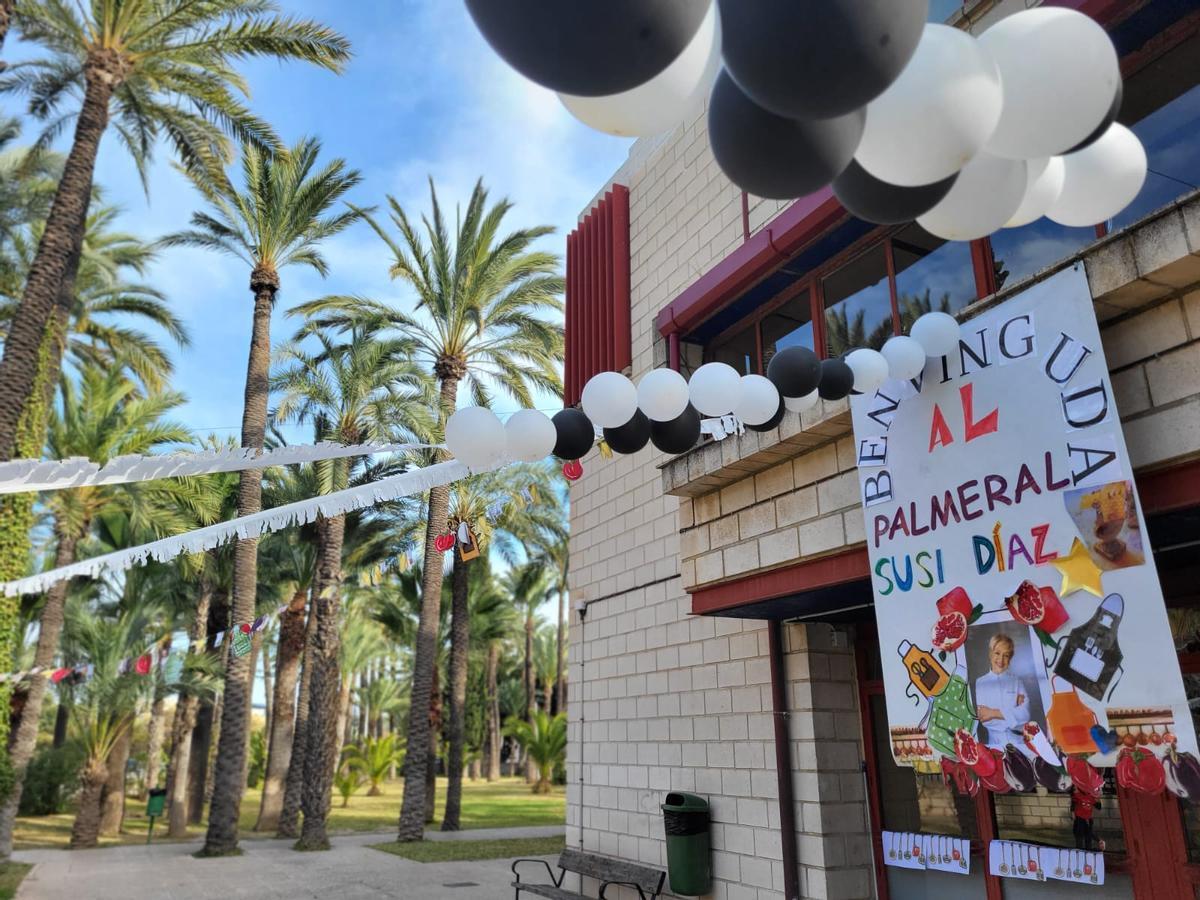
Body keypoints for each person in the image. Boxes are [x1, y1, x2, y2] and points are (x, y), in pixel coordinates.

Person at [974, 633, 1032, 751]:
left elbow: (1025, 714)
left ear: (1010, 658)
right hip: (995, 743)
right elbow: (985, 719)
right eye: (997, 653)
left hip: (1019, 742)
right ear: (990, 653)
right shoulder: (980, 682)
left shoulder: (1017, 681)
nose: (1001, 659)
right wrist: (1013, 715)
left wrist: (993, 713)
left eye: (1006, 655)